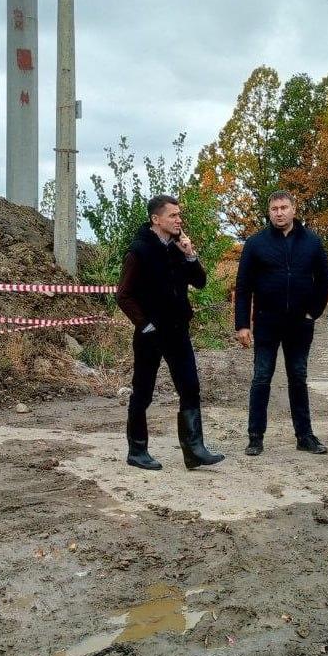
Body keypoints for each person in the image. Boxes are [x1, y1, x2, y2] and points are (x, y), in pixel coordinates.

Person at [116, 195, 225, 471]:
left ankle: (194, 450)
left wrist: (190, 255)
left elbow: (200, 282)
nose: (179, 220)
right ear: (156, 219)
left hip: (178, 331)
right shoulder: (139, 251)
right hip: (151, 335)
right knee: (143, 391)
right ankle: (137, 450)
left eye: (179, 215)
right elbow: (124, 295)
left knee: (190, 388)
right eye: (173, 215)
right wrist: (145, 324)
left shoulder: (178, 249)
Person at [235, 191, 328, 456]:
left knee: (298, 378)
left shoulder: (311, 241)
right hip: (267, 322)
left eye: (284, 207)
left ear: (293, 210)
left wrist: (313, 313)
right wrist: (242, 324)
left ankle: (305, 436)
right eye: (274, 208)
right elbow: (243, 287)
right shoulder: (256, 243)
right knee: (261, 378)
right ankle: (255, 437)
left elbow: (325, 280)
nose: (279, 213)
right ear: (269, 212)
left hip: (300, 325)